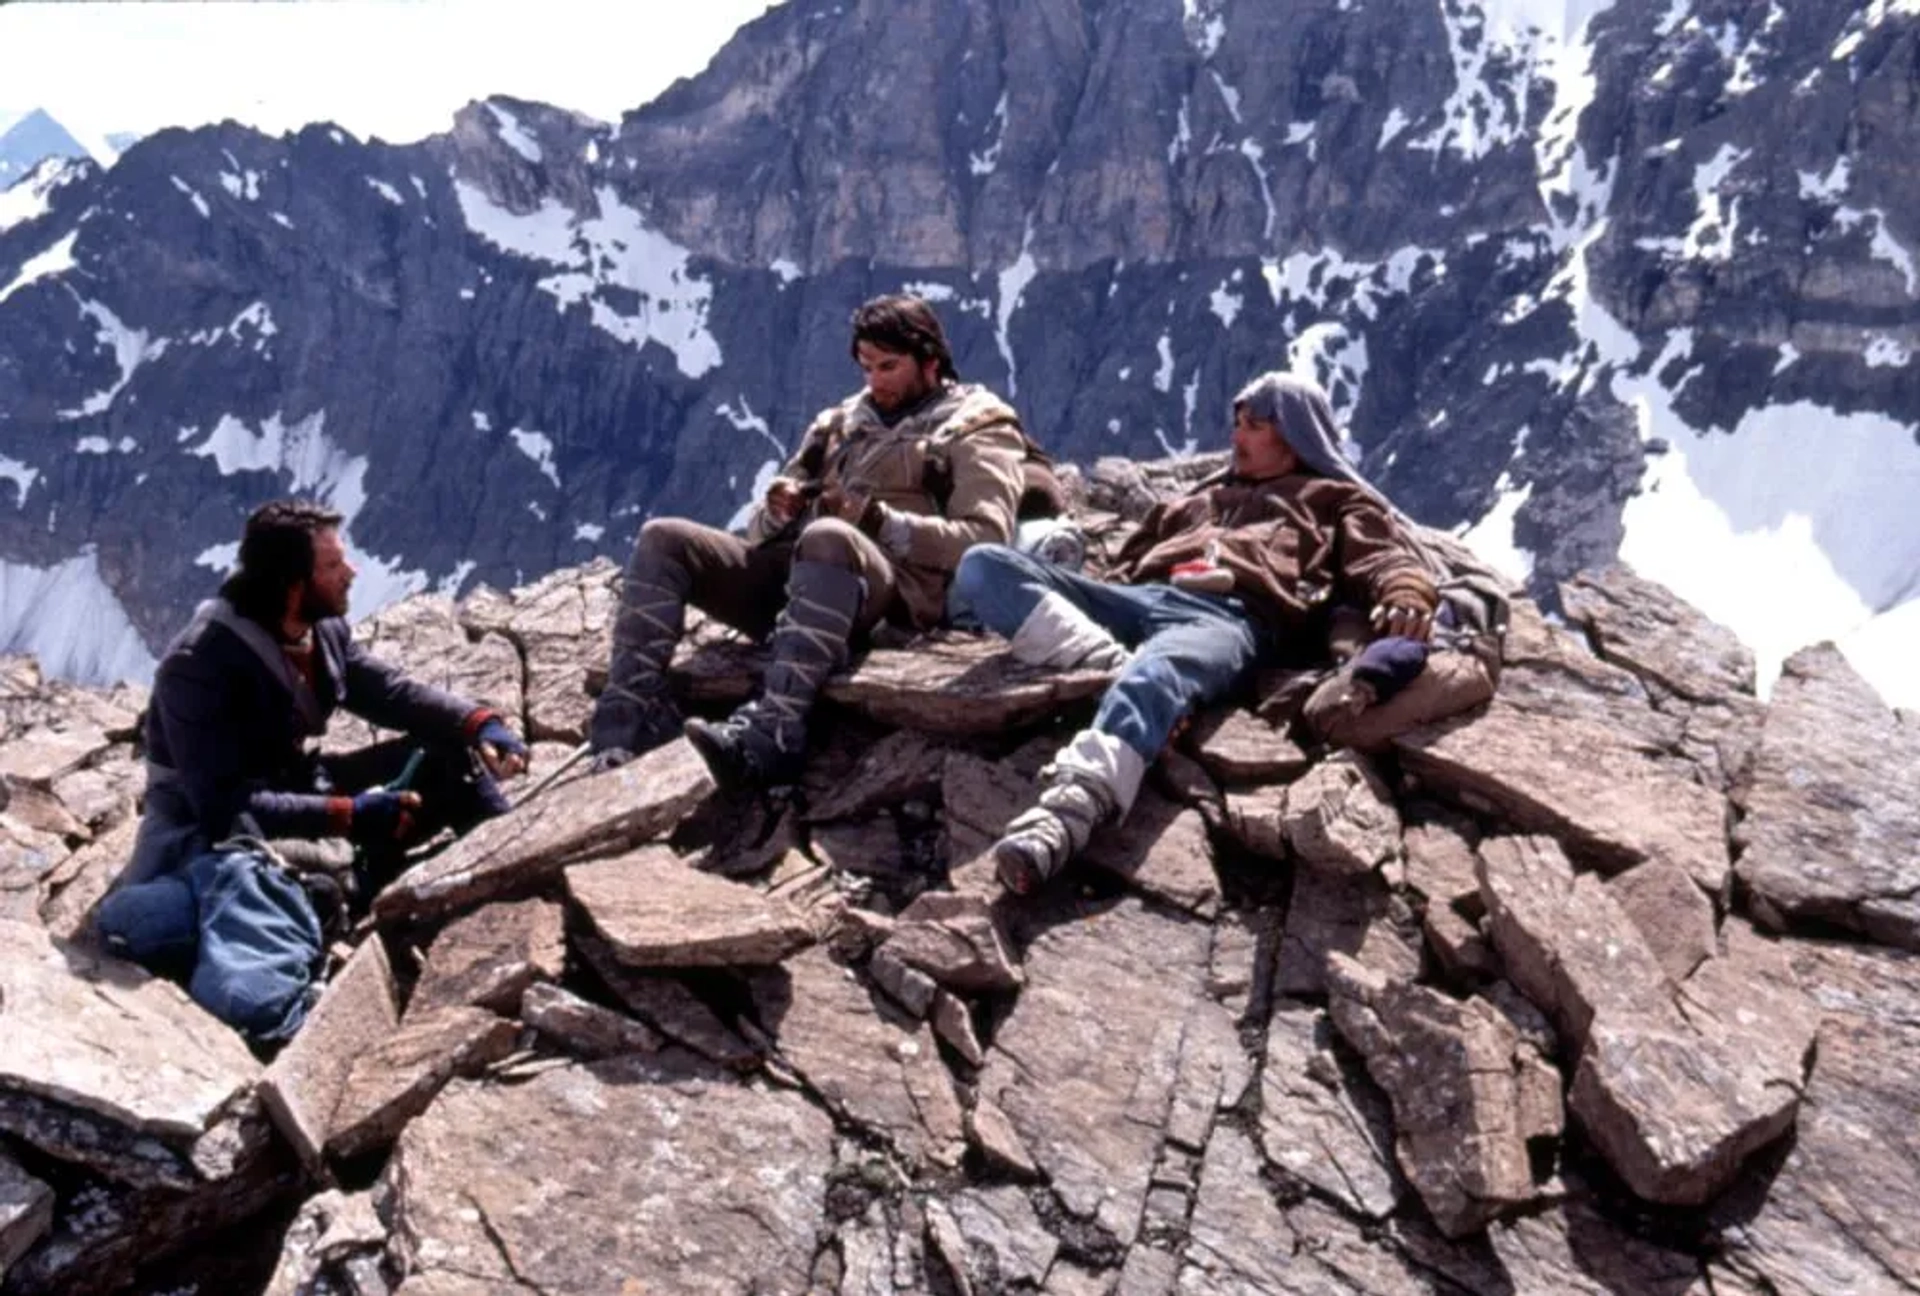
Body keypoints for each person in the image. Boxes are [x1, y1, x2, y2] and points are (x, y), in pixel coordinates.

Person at [946, 371, 1504, 895]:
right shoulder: (1196, 500)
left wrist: (1406, 596)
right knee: (984, 566)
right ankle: (1112, 665)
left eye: (1255, 425)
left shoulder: (1333, 501)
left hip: (1229, 616)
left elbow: (1383, 560)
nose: (1238, 435)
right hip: (1142, 600)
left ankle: (1069, 810)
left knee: (1160, 668)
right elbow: (1126, 566)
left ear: (1296, 435)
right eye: (1238, 422)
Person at [95, 499, 528, 1033]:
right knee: (219, 887)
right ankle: (328, 901)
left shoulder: (318, 631)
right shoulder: (198, 666)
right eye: (333, 566)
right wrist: (349, 814)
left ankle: (516, 866)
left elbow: (386, 691)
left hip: (296, 791)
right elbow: (225, 805)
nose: (351, 572)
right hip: (208, 829)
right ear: (291, 583)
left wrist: (478, 722)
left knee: (447, 754)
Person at [590, 293, 1049, 790]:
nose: (875, 381)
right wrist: (776, 510)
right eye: (867, 367)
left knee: (830, 537)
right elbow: (758, 531)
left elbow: (983, 538)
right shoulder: (840, 423)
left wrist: (877, 521)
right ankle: (624, 720)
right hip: (802, 578)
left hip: (893, 598)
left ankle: (773, 733)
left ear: (930, 362)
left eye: (889, 367)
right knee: (665, 539)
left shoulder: (978, 426)